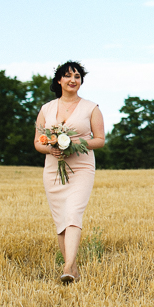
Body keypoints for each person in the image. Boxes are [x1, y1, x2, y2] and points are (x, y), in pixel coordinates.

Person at [34, 61, 105, 284]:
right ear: (59, 80)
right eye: (67, 76)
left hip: (82, 167)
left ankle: (66, 265)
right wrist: (52, 148)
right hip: (53, 169)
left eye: (77, 76)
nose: (72, 80)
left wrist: (74, 145)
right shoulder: (46, 109)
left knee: (73, 213)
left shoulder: (91, 108)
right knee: (61, 219)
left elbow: (100, 140)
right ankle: (72, 269)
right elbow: (37, 142)